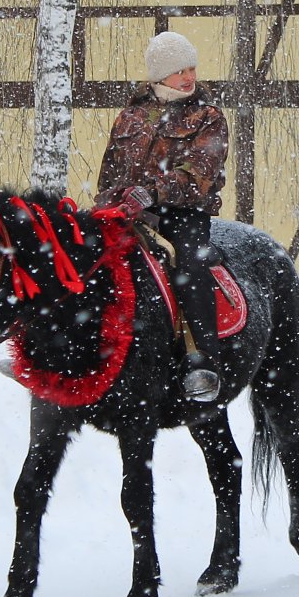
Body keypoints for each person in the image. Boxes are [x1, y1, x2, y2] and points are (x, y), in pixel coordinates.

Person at [95, 31, 230, 402]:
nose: (189, 77)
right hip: (128, 213)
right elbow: (109, 172)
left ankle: (202, 361)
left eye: (191, 68)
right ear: (159, 75)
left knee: (189, 266)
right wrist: (109, 203)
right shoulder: (131, 116)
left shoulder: (208, 116)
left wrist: (153, 192)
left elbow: (200, 171)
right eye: (179, 71)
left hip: (181, 214)